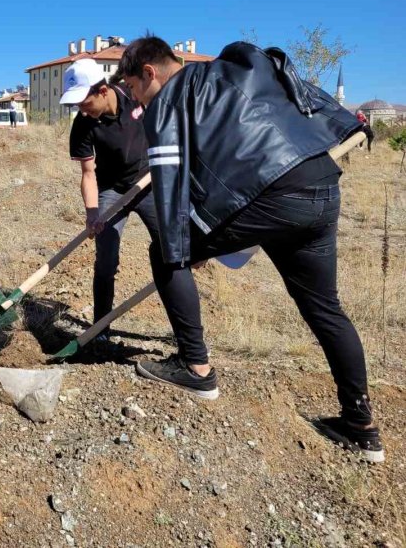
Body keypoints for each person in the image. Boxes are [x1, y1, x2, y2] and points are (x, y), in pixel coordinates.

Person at [117, 35, 384, 462]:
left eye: (132, 87)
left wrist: (181, 245)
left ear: (149, 72)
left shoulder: (166, 102)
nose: (134, 98)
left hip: (268, 195)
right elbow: (297, 92)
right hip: (319, 184)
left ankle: (195, 368)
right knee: (325, 308)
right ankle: (361, 427)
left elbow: (169, 181)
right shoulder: (237, 68)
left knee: (163, 251)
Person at [60, 58, 159, 332]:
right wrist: (92, 212)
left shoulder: (133, 95)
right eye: (76, 105)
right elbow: (88, 173)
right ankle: (100, 329)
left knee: (171, 252)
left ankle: (186, 338)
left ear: (103, 91)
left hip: (150, 183)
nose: (81, 110)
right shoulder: (83, 124)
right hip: (112, 190)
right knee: (106, 260)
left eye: (84, 102)